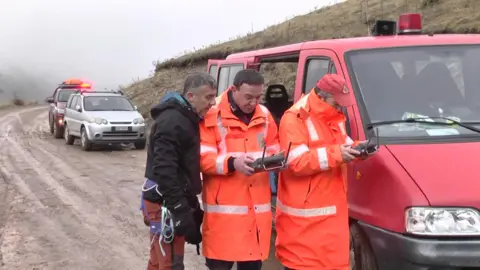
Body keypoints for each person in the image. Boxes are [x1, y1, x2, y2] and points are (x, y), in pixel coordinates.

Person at [275, 74, 376, 270]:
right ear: (321, 97)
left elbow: (343, 145)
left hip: (331, 219)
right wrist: (338, 154)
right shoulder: (294, 118)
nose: (340, 107)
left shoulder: (332, 116)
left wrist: (360, 149)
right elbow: (296, 161)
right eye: (335, 102)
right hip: (304, 226)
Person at [199, 69, 280, 270]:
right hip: (224, 219)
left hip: (255, 217)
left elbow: (275, 148)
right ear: (234, 89)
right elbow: (202, 159)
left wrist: (271, 160)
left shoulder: (265, 115)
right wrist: (233, 163)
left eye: (258, 97)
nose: (253, 102)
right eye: (248, 97)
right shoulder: (212, 113)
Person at [140, 72, 217, 270]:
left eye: (214, 96)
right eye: (208, 97)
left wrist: (191, 203)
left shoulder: (186, 119)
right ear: (190, 96)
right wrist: (181, 210)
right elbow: (165, 170)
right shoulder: (173, 121)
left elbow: (182, 169)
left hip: (165, 199)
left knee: (158, 261)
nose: (213, 103)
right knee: (171, 264)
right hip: (164, 203)